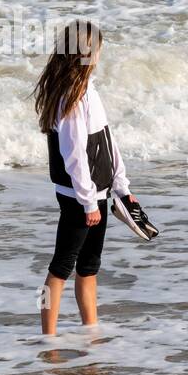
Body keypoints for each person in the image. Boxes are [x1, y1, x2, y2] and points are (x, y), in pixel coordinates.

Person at [33, 18, 135, 335]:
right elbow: (74, 153)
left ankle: (90, 332)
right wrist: (88, 201)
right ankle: (47, 338)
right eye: (99, 49)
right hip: (79, 196)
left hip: (96, 193)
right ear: (88, 53)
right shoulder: (71, 97)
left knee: (89, 267)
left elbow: (106, 140)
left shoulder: (88, 88)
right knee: (61, 267)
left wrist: (121, 187)